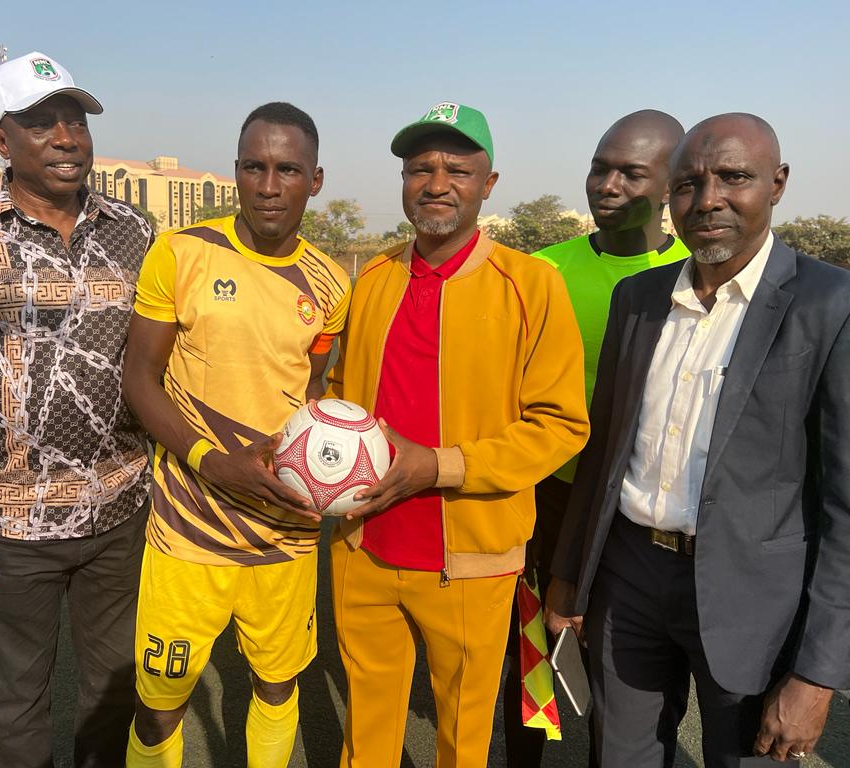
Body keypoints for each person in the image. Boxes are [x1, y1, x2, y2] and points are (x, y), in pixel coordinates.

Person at [546, 113, 850, 766]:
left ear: (777, 183)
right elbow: (603, 455)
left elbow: (845, 510)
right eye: (688, 182)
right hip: (627, 580)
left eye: (733, 177)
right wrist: (570, 580)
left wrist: (818, 674)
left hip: (753, 603)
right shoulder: (639, 298)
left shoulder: (829, 306)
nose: (707, 199)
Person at [0, 52, 153, 767]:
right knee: (19, 704)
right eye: (40, 122)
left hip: (120, 510)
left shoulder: (134, 231)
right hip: (11, 524)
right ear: (0, 139)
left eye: (75, 120)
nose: (67, 137)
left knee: (113, 691)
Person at [327, 101, 589, 767]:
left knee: (461, 742)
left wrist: (438, 466)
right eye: (420, 168)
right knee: (369, 735)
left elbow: (559, 426)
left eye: (457, 169)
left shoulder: (532, 284)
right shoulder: (375, 276)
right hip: (364, 546)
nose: (436, 183)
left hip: (470, 562)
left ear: (489, 184)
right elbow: (341, 398)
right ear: (404, 181)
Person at [121, 102, 351, 768]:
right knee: (160, 697)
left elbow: (311, 396)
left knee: (277, 685)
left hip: (285, 530)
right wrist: (208, 460)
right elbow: (139, 380)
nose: (269, 185)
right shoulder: (182, 252)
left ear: (316, 179)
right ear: (237, 172)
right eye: (254, 166)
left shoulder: (332, 285)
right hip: (188, 526)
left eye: (288, 169)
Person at [503, 109, 688, 767]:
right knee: (529, 655)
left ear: (671, 185)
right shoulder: (541, 271)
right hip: (548, 498)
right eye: (599, 167)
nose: (607, 185)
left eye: (630, 173)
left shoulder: (698, 278)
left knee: (622, 671)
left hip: (634, 513)